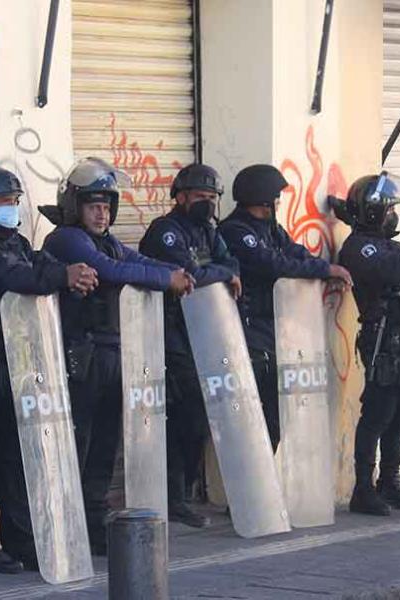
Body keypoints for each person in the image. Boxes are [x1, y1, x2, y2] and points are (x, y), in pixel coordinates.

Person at [0, 166, 98, 573]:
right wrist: (59, 276)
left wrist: (71, 275)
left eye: (15, 202)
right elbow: (8, 277)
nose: (11, 209)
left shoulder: (13, 239)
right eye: (3, 202)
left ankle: (23, 541)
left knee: (19, 456)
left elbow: (40, 264)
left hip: (17, 360)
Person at [40, 157, 192, 554]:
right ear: (75, 206)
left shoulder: (105, 241)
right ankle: (69, 526)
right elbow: (110, 271)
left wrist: (183, 274)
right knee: (80, 443)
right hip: (81, 357)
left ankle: (93, 524)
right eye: (93, 205)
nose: (101, 213)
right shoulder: (67, 240)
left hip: (111, 355)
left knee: (105, 447)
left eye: (107, 206)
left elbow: (140, 263)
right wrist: (167, 279)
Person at [219, 164, 352, 448]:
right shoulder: (236, 231)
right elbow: (272, 264)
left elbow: (295, 252)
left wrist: (324, 268)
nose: (279, 203)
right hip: (249, 329)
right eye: (276, 197)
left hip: (273, 328)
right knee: (260, 414)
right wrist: (324, 271)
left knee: (277, 416)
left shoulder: (270, 229)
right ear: (262, 199)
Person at [139, 163, 241, 528]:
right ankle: (173, 497)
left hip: (203, 334)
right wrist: (223, 274)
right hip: (170, 336)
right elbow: (190, 276)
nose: (207, 204)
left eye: (212, 198)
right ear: (180, 197)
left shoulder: (208, 230)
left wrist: (225, 271)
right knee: (182, 418)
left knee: (197, 420)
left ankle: (184, 491)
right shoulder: (167, 232)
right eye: (200, 197)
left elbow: (233, 262)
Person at [336, 173, 400, 516]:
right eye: (389, 208)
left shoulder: (388, 243)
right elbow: (394, 270)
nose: (394, 214)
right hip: (382, 338)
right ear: (373, 212)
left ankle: (390, 483)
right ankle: (363, 488)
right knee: (378, 413)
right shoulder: (360, 246)